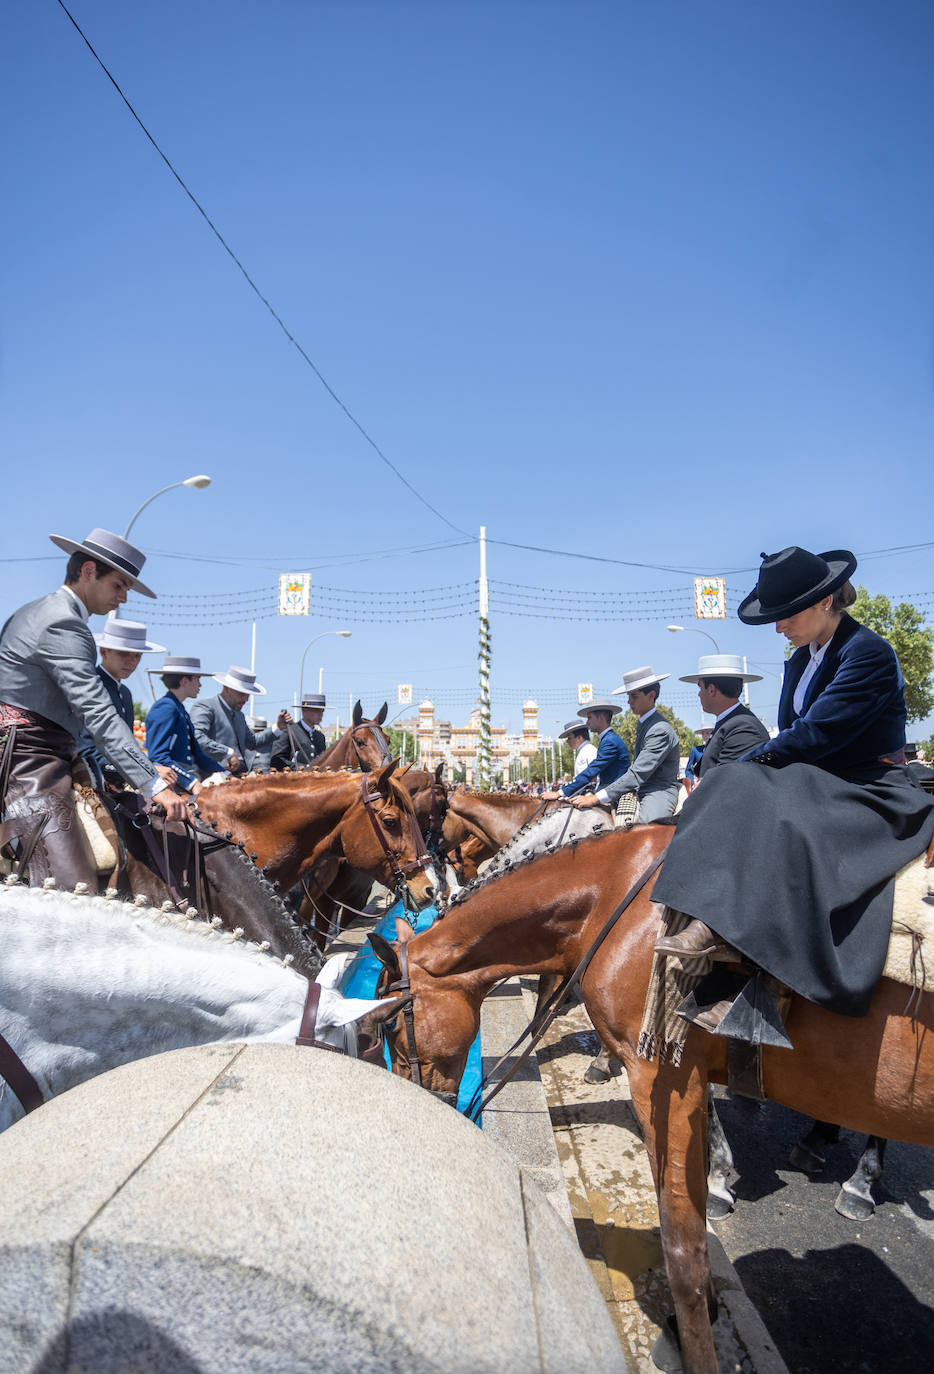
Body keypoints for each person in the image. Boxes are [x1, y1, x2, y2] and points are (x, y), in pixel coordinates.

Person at [652, 545, 934, 1036]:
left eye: (786, 616)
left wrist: (738, 770)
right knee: (743, 788)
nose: (779, 628)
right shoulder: (800, 659)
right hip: (818, 779)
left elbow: (815, 735)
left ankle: (767, 981)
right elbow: (794, 735)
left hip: (871, 787)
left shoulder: (868, 652)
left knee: (752, 795)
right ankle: (708, 922)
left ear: (825, 601)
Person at [0, 527, 189, 888]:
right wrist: (152, 783)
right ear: (88, 571)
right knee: (74, 891)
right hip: (28, 763)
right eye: (119, 585)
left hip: (47, 757)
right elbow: (96, 711)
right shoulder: (63, 622)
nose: (123, 598)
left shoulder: (40, 611)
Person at [78, 615, 174, 790]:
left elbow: (127, 747)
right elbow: (86, 749)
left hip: (118, 778)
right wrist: (146, 771)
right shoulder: (90, 686)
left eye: (137, 656)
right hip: (88, 778)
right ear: (104, 652)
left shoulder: (125, 693)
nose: (132, 661)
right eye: (124, 653)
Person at [572, 667, 680, 822]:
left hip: (658, 790)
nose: (629, 701)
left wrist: (595, 798)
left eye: (634, 696)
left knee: (644, 831)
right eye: (629, 696)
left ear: (651, 695)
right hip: (641, 788)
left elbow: (637, 773)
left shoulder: (659, 729)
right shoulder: (645, 722)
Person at [678, 654, 769, 778]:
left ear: (711, 690)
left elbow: (725, 782)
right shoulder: (731, 722)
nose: (699, 694)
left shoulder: (743, 728)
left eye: (700, 687)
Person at [145, 657, 224, 796]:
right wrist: (191, 783)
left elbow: (198, 755)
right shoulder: (165, 707)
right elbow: (158, 756)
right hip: (172, 784)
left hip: (185, 779)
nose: (200, 685)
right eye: (197, 679)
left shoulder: (179, 708)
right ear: (184, 681)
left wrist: (226, 774)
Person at [190, 666, 290, 775]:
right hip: (211, 778)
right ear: (226, 688)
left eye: (248, 695)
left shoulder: (239, 716)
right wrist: (226, 752)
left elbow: (252, 742)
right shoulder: (205, 707)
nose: (246, 699)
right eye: (241, 693)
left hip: (236, 776)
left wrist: (278, 728)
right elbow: (196, 737)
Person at [541, 701, 630, 801]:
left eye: (589, 718)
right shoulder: (607, 739)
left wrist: (560, 793)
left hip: (616, 794)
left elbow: (591, 771)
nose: (587, 723)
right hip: (608, 791)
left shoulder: (610, 741)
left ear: (601, 718)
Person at [270, 692, 327, 770]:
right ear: (304, 709)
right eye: (316, 710)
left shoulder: (320, 737)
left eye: (322, 710)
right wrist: (301, 768)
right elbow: (276, 760)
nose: (320, 714)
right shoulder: (289, 731)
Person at [683, 724, 713, 791]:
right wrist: (692, 783)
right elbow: (688, 770)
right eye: (703, 734)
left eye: (707, 733)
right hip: (699, 785)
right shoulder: (696, 750)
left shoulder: (718, 749)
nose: (705, 736)